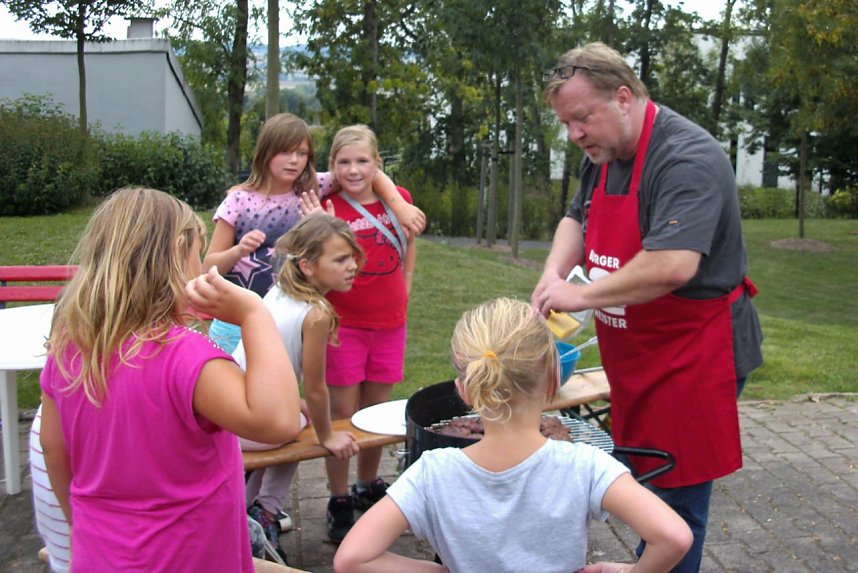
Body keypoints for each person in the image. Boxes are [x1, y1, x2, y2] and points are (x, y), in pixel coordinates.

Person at [531, 42, 764, 572]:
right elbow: (576, 219)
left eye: (582, 118)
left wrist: (582, 294)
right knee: (646, 483)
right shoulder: (604, 153)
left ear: (623, 97)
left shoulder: (687, 157)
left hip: (694, 352)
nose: (575, 135)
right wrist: (552, 276)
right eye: (566, 123)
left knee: (674, 504)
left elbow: (674, 264)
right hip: (637, 351)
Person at [39, 187, 302, 572]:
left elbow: (53, 449)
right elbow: (279, 420)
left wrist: (80, 522)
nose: (205, 267)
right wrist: (254, 314)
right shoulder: (187, 357)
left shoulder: (69, 351)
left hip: (100, 553)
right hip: (188, 556)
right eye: (198, 255)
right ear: (179, 251)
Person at [334, 297, 693, 573]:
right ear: (554, 378)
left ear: (466, 390)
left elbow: (352, 560)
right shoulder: (585, 466)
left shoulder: (432, 473)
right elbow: (673, 538)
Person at [203, 112, 426, 354]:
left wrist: (399, 206)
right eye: (285, 152)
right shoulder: (237, 201)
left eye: (302, 153)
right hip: (235, 322)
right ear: (265, 152)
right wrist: (239, 251)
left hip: (289, 319)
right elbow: (209, 267)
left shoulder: (313, 187)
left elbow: (368, 168)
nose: (294, 161)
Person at [231, 213, 364, 560]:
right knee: (299, 426)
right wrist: (327, 435)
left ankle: (248, 512)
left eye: (352, 257)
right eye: (340, 259)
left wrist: (297, 404)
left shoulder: (278, 291)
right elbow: (317, 389)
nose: (352, 266)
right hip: (250, 422)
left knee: (294, 416)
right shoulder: (316, 312)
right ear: (307, 266)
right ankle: (268, 511)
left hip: (230, 407)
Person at [320, 125, 417, 543]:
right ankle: (339, 495)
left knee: (377, 413)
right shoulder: (327, 206)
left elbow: (410, 245)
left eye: (362, 161)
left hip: (390, 323)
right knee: (343, 413)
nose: (353, 170)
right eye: (344, 162)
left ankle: (367, 482)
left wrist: (408, 284)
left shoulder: (401, 201)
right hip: (343, 326)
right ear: (332, 166)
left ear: (378, 164)